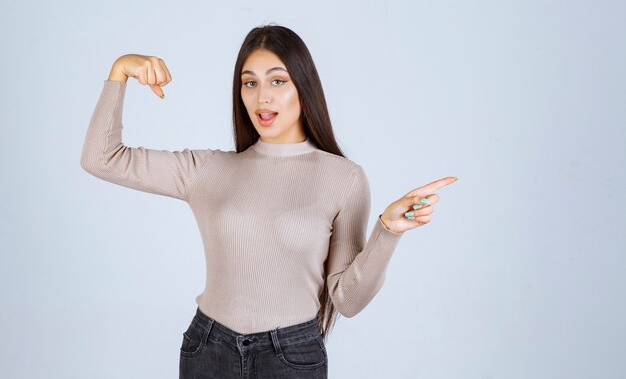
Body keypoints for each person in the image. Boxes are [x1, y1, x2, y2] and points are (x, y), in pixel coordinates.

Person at [80, 24, 457, 379]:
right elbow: (101, 158)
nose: (262, 97)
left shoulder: (343, 178)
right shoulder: (207, 169)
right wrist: (120, 70)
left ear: (303, 87)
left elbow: (347, 301)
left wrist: (387, 231)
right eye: (249, 83)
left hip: (291, 356)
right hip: (209, 349)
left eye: (278, 81)